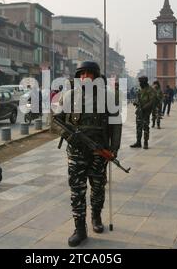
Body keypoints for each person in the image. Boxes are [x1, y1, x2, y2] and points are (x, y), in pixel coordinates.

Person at [56, 61, 122, 247]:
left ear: (96, 76)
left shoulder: (108, 97)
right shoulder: (69, 96)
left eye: (89, 74)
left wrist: (113, 149)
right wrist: (70, 137)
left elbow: (116, 125)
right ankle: (80, 229)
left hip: (99, 151)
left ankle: (96, 217)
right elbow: (57, 121)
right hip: (76, 152)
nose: (85, 77)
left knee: (98, 187)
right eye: (82, 74)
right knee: (77, 190)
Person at [131, 76, 156, 149]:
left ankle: (145, 142)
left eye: (140, 82)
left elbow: (152, 101)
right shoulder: (140, 90)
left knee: (145, 127)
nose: (139, 83)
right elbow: (138, 99)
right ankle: (138, 142)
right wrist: (136, 102)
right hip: (139, 112)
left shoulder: (150, 90)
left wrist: (144, 107)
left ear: (144, 82)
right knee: (138, 127)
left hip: (146, 112)